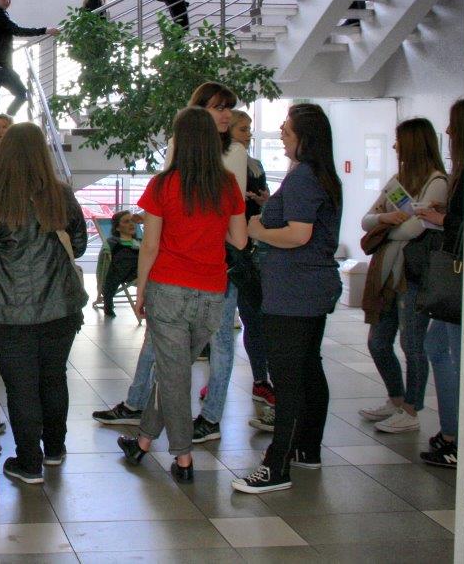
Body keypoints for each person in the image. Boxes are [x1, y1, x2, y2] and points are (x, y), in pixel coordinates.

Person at [93, 82, 248, 439]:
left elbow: (223, 223)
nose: (226, 115)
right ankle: (141, 414)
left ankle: (199, 425)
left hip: (208, 270)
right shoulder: (194, 165)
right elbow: (225, 222)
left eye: (228, 108)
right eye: (218, 108)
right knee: (166, 357)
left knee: (202, 353)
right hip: (188, 272)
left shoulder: (232, 155)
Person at [118, 107, 246, 484]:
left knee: (174, 376)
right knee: (173, 372)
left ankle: (184, 457)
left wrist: (141, 291)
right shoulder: (227, 185)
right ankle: (143, 441)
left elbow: (150, 245)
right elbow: (239, 240)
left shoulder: (163, 185)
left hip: (169, 291)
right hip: (211, 294)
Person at [0, 122, 87, 484]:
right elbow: (79, 246)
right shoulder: (62, 196)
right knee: (54, 378)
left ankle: (29, 463)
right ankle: (55, 450)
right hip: (61, 309)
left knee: (21, 388)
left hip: (8, 313)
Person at [232, 103, 343, 494]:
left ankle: (276, 465)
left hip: (294, 290)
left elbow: (298, 234)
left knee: (289, 377)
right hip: (310, 286)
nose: (281, 134)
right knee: (309, 368)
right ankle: (306, 449)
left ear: (305, 138)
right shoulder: (319, 175)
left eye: (287, 130)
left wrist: (257, 229)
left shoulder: (304, 177)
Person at [360, 118, 448, 433]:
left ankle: (411, 409)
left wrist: (386, 229)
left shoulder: (437, 182)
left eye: (399, 141)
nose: (395, 146)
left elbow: (415, 229)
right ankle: (395, 399)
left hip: (414, 275)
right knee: (378, 342)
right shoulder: (397, 180)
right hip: (387, 273)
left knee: (413, 343)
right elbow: (367, 220)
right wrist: (385, 219)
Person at [416, 99, 464, 469]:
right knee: (436, 345)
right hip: (457, 272)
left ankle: (456, 438)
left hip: (459, 275)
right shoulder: (459, 173)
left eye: (452, 125)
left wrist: (439, 219)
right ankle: (451, 431)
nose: (446, 132)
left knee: (454, 354)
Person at [230, 110, 275, 408]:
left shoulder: (255, 166)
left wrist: (264, 202)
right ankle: (218, 380)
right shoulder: (221, 165)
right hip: (227, 251)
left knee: (253, 318)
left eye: (249, 129)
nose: (248, 135)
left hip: (250, 251)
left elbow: (264, 205)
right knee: (220, 326)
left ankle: (261, 379)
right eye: (242, 129)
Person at [0, 0, 58, 122]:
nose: (7, 1)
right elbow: (18, 30)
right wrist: (45, 30)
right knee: (21, 94)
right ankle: (6, 123)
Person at [95, 209, 142, 317]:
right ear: (117, 227)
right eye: (126, 221)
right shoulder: (112, 242)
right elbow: (105, 261)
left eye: (132, 221)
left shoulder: (141, 241)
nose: (131, 224)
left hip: (141, 271)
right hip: (122, 272)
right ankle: (108, 299)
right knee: (124, 254)